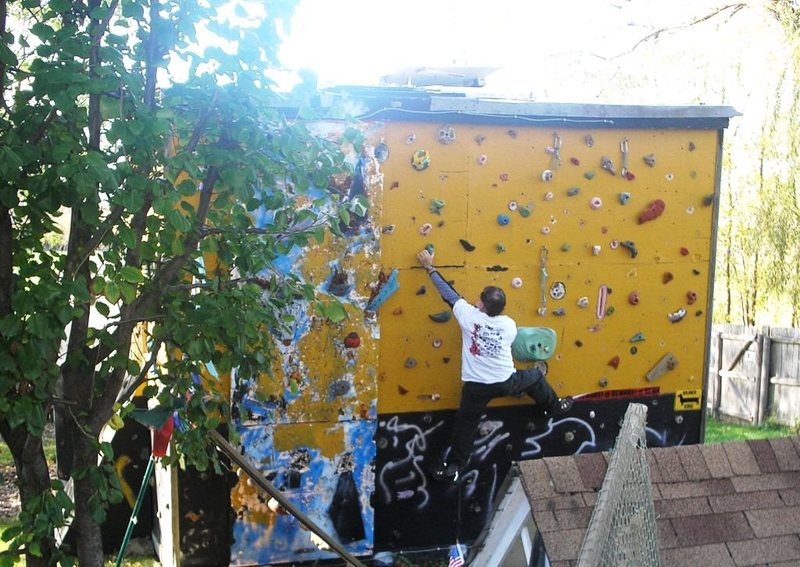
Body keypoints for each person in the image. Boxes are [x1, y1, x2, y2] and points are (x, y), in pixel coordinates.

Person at [416, 248, 573, 483]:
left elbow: (449, 294)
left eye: (480, 299)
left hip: (476, 387)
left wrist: (429, 266)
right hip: (505, 383)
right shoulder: (508, 324)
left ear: (481, 304)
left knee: (466, 426)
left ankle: (455, 468)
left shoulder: (469, 317)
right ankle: (552, 406)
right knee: (535, 377)